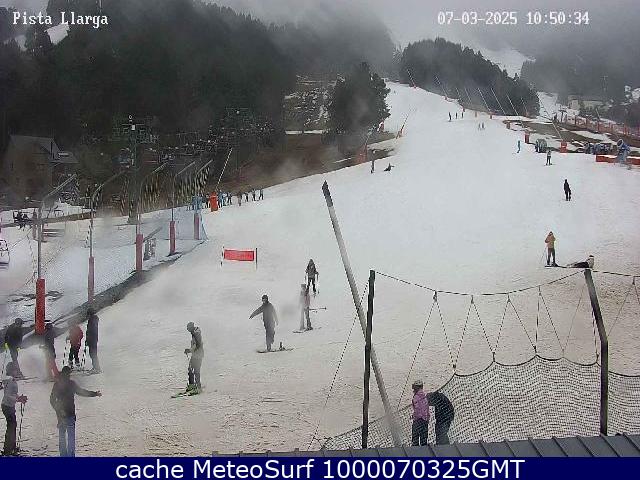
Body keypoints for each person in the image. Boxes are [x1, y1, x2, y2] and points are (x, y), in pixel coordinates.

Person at [49, 366, 101, 457]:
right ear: (68, 374)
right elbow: (82, 392)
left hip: (60, 415)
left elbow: (52, 400)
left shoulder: (57, 384)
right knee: (71, 437)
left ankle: (63, 456)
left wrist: (58, 410)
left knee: (62, 436)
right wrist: (95, 393)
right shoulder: (71, 384)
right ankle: (71, 456)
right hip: (70, 414)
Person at [2, 362, 28, 456]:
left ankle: (11, 447)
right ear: (12, 370)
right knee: (11, 426)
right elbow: (8, 395)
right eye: (15, 370)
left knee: (12, 426)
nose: (16, 371)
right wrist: (18, 399)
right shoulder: (10, 380)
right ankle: (8, 449)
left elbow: (12, 394)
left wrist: (19, 398)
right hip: (7, 406)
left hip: (8, 405)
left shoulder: (10, 380)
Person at [184, 322, 204, 391]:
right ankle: (192, 386)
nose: (188, 330)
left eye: (188, 328)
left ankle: (198, 387)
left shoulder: (196, 334)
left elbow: (198, 345)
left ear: (191, 327)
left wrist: (189, 350)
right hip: (196, 355)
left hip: (198, 356)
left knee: (195, 371)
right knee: (191, 370)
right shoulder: (194, 333)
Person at [411, 379, 429, 446]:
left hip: (418, 420)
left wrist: (414, 416)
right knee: (424, 440)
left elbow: (418, 409)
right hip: (425, 420)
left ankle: (415, 451)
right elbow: (426, 408)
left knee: (415, 439)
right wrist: (427, 418)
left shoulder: (416, 397)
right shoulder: (424, 396)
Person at [85, 308, 100, 374]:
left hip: (92, 339)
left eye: (88, 314)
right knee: (93, 354)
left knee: (93, 354)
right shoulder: (93, 319)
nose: (87, 315)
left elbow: (91, 331)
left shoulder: (92, 320)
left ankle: (96, 368)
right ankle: (95, 367)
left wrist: (88, 339)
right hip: (93, 339)